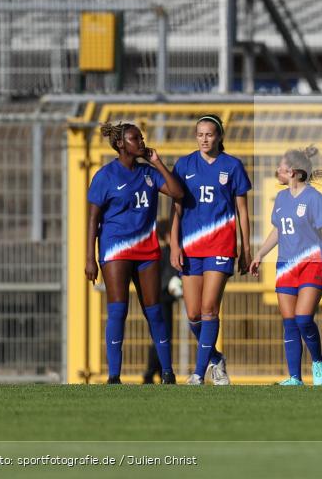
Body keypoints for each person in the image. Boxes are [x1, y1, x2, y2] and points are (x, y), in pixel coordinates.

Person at [86, 121, 184, 385]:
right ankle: (114, 376)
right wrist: (90, 259)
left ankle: (167, 373)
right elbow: (92, 219)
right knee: (118, 311)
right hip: (116, 249)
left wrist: (158, 163)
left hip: (147, 249)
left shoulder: (149, 173)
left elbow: (178, 193)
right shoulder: (105, 176)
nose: (141, 142)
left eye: (141, 138)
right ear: (120, 144)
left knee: (154, 312)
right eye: (135, 139)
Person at [170, 114, 252, 386]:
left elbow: (242, 210)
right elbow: (177, 208)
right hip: (191, 246)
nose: (205, 139)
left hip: (220, 245)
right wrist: (174, 245)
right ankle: (216, 359)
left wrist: (246, 248)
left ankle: (198, 372)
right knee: (193, 313)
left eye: (210, 134)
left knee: (209, 309)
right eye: (200, 134)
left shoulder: (232, 166)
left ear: (219, 137)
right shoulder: (184, 165)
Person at [250, 147, 322, 386]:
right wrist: (260, 253)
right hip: (286, 266)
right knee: (289, 322)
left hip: (312, 264)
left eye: (281, 167)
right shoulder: (281, 198)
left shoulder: (314, 198)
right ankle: (295, 378)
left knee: (303, 318)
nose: (277, 171)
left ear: (294, 172)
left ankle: (318, 361)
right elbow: (279, 230)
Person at [141, 220, 183, 384]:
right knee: (163, 337)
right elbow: (169, 279)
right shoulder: (166, 252)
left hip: (159, 299)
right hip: (162, 299)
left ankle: (155, 372)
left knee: (159, 336)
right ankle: (152, 372)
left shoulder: (157, 252)